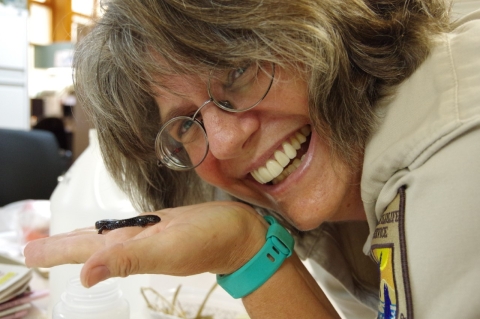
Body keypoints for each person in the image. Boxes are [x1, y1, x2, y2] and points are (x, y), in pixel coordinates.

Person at [24, 0, 480, 318]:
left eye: (239, 71)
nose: (222, 142)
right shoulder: (341, 179)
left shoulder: (453, 146)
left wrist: (252, 259)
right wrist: (249, 242)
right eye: (185, 124)